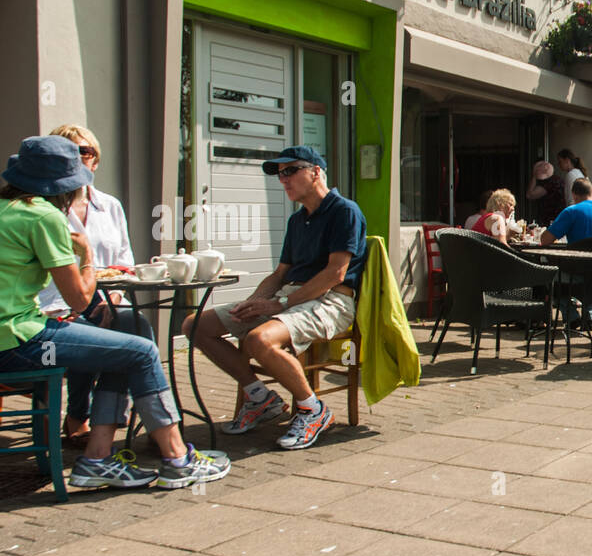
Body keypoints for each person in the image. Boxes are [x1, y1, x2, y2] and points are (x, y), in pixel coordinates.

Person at [0, 135, 229, 489]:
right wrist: (87, 255)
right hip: (21, 341)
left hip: (13, 336)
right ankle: (177, 459)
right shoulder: (43, 217)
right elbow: (79, 299)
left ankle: (97, 459)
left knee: (124, 346)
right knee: (141, 350)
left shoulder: (7, 210)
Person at [184, 145, 368, 450]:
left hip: (332, 301)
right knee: (195, 326)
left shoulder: (344, 210)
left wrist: (280, 304)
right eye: (280, 174)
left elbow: (335, 273)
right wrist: (253, 302)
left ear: (315, 171)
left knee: (259, 340)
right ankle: (260, 398)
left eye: (290, 171)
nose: (283, 180)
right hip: (291, 296)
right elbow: (280, 273)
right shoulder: (297, 220)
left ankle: (313, 410)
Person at [36, 124, 153, 447]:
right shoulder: (43, 210)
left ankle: (120, 420)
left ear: (96, 160)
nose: (78, 159)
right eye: (69, 152)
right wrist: (74, 305)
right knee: (88, 328)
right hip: (55, 303)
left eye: (84, 152)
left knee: (136, 328)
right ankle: (80, 417)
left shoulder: (110, 205)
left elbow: (124, 260)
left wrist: (113, 298)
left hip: (107, 297)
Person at [541, 178, 592, 330]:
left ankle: (571, 316)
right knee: (588, 267)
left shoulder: (571, 211)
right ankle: (590, 316)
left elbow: (545, 240)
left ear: (574, 195)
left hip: (578, 272)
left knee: (548, 273)